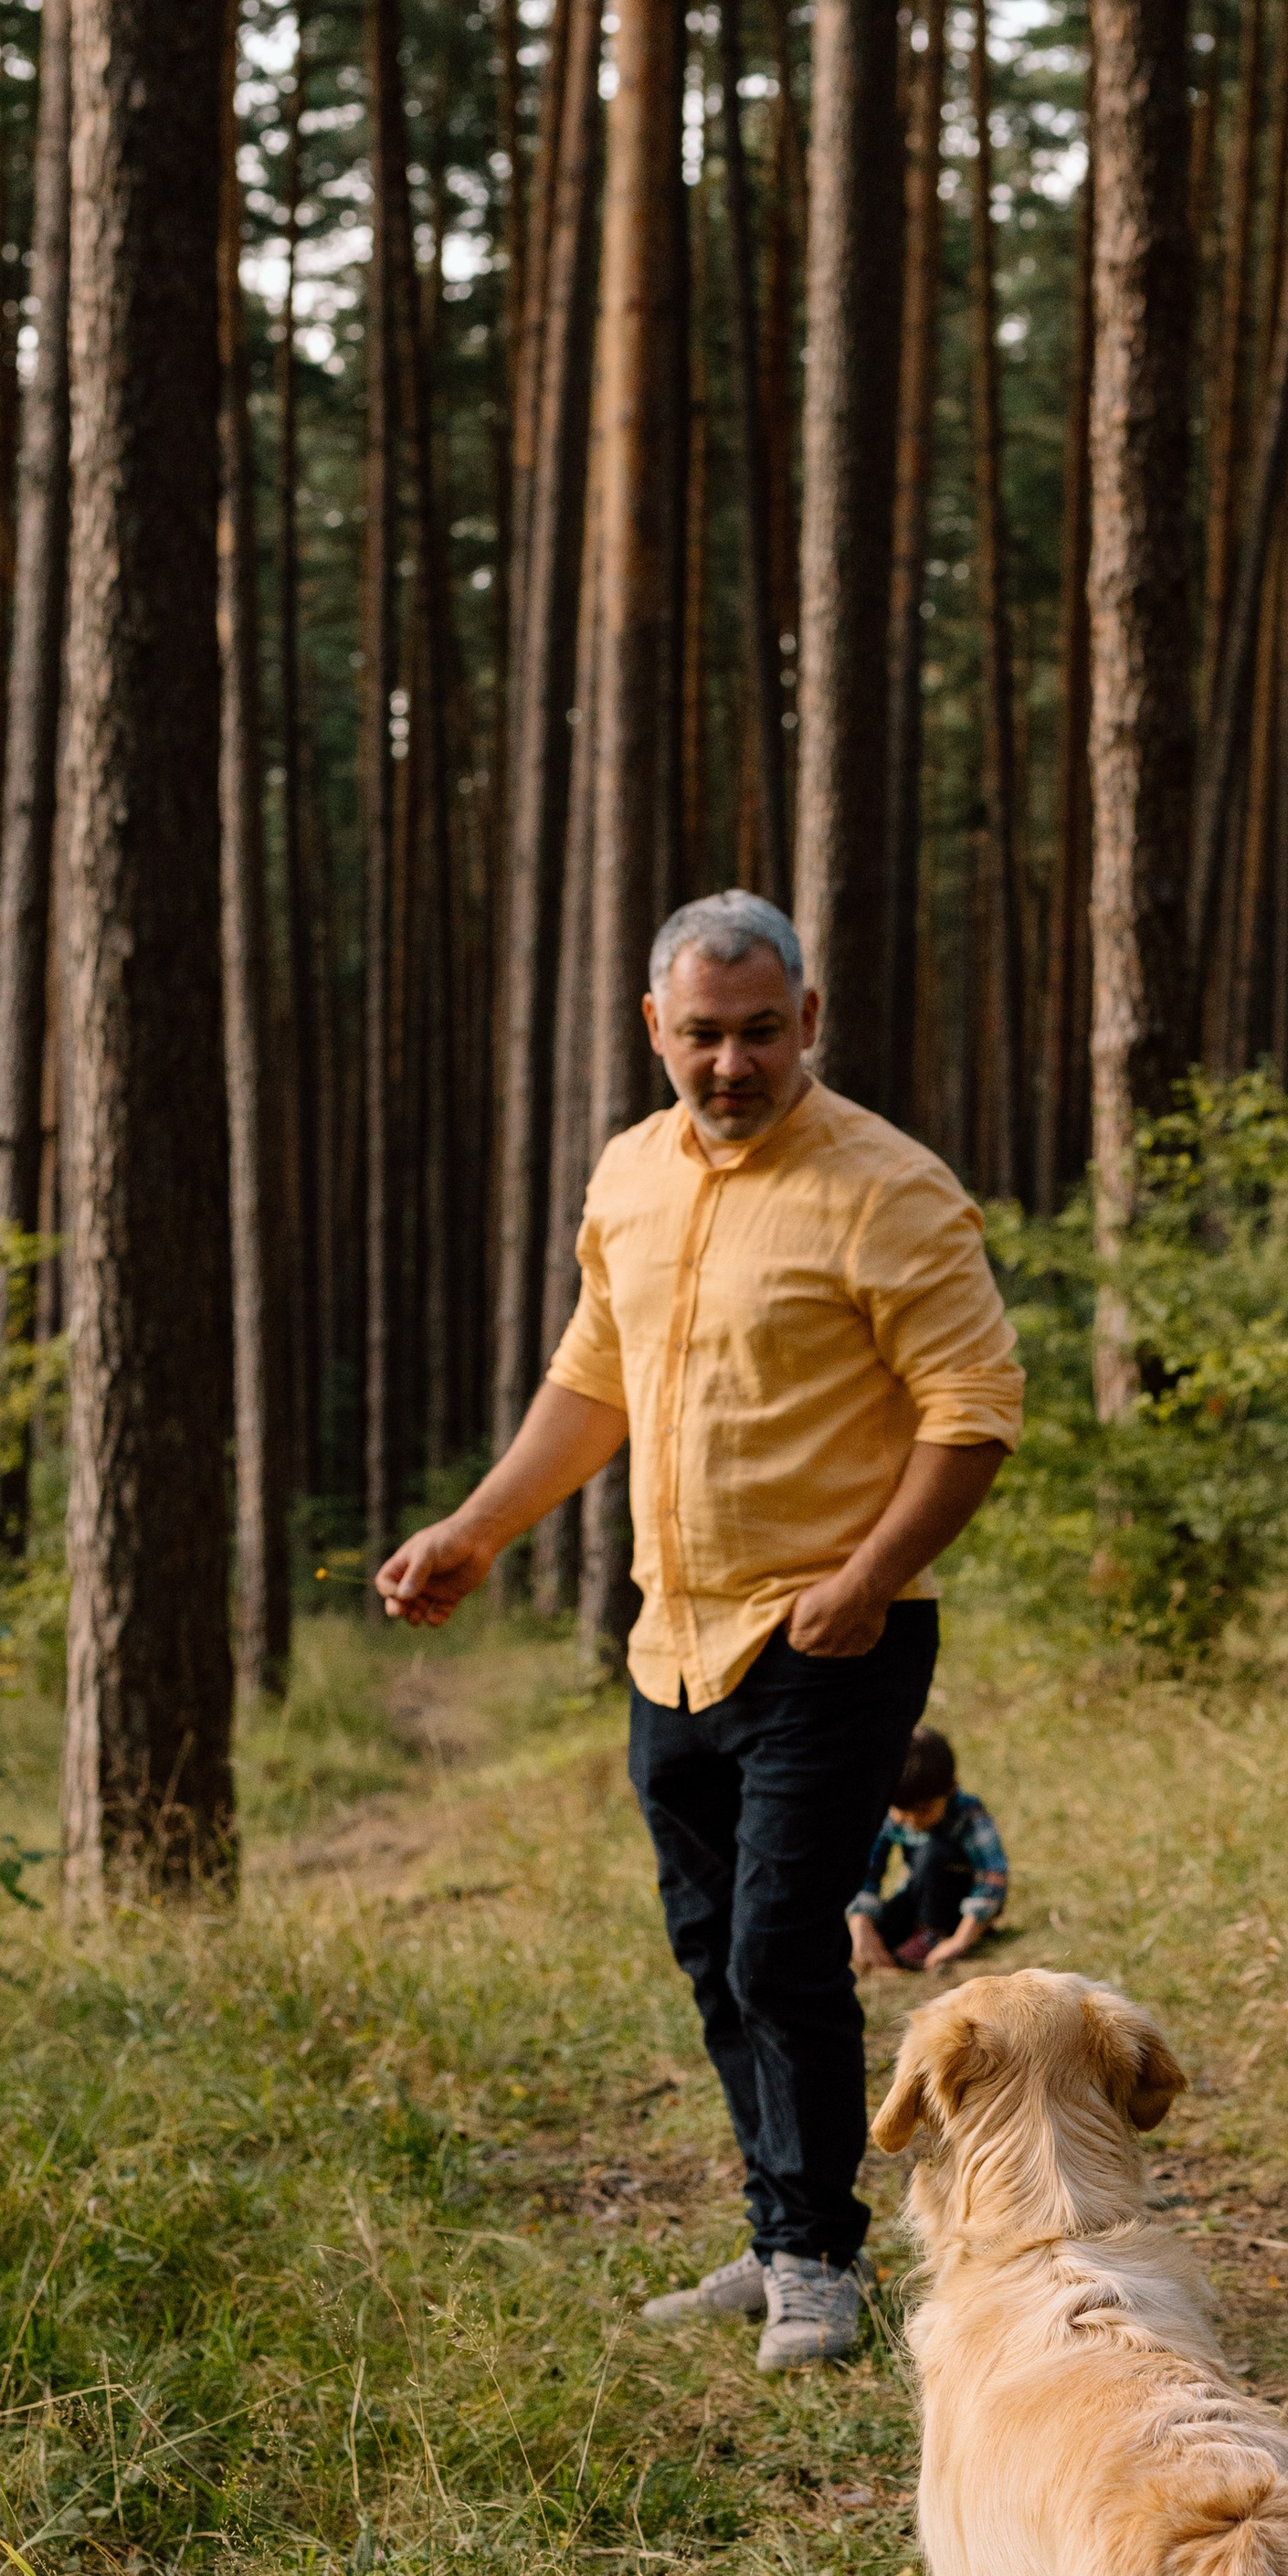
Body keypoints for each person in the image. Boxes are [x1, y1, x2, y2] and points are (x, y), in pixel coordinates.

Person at [375, 890, 1022, 2374]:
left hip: (833, 1638)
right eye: (701, 1036)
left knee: (783, 1946)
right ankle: (776, 2229)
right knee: (709, 1947)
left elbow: (976, 1415)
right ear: (654, 1030)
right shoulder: (629, 1176)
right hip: (672, 1641)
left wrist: (865, 1578)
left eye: (757, 1033)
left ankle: (819, 2261)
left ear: (809, 1021)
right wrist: (477, 1530)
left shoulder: (890, 1189)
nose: (729, 1063)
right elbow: (592, 1377)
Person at [849, 1726, 1008, 1975]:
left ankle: (933, 1935)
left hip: (958, 1909)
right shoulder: (887, 1816)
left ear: (951, 1788)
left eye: (923, 1810)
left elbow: (992, 1877)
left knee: (932, 1852)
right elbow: (867, 1869)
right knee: (874, 1929)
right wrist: (862, 1924)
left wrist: (960, 1939)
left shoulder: (968, 1815)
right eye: (901, 1812)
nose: (912, 1821)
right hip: (918, 1896)